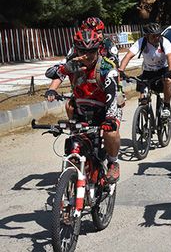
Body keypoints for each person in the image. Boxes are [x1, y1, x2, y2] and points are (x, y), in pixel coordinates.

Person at [45, 29, 122, 183]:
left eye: (92, 51)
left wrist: (110, 119)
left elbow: (112, 98)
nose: (87, 55)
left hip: (105, 110)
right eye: (83, 51)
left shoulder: (107, 67)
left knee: (111, 133)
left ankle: (113, 162)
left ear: (98, 49)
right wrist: (55, 83)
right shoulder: (73, 64)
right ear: (77, 50)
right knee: (72, 116)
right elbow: (51, 73)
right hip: (82, 109)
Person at [45, 17, 121, 118]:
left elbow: (115, 69)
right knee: (69, 106)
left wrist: (117, 90)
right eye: (89, 31)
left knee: (118, 102)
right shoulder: (77, 47)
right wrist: (52, 89)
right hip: (84, 85)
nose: (94, 34)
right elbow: (64, 69)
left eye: (98, 31)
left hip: (105, 82)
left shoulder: (108, 44)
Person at [119, 23, 171, 118]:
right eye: (154, 36)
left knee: (168, 81)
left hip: (162, 70)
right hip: (147, 71)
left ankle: (166, 105)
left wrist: (170, 71)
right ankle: (145, 117)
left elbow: (170, 57)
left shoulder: (164, 42)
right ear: (147, 36)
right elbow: (128, 56)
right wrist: (121, 70)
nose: (157, 38)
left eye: (158, 35)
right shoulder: (141, 42)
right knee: (142, 98)